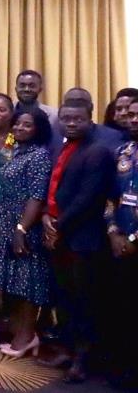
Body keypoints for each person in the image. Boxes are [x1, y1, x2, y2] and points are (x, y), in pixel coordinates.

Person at [41, 98, 116, 383]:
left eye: (78, 119)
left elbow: (88, 198)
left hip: (83, 239)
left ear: (90, 119)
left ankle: (83, 359)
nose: (71, 123)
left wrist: (57, 225)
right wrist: (48, 217)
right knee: (64, 298)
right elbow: (54, 188)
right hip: (60, 235)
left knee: (84, 301)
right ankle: (69, 350)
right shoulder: (63, 147)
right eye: (66, 118)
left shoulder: (97, 152)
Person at [0, 109, 53, 358]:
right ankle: (21, 332)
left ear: (38, 129)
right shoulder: (15, 152)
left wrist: (21, 229)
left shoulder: (39, 156)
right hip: (7, 225)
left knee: (28, 284)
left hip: (25, 228)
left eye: (27, 125)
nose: (20, 128)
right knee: (15, 283)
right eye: (18, 124)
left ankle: (27, 337)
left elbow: (37, 197)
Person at [105, 99, 138, 387]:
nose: (133, 119)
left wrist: (133, 239)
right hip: (120, 244)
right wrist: (115, 232)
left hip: (133, 242)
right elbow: (110, 198)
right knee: (124, 307)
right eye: (130, 114)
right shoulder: (123, 151)